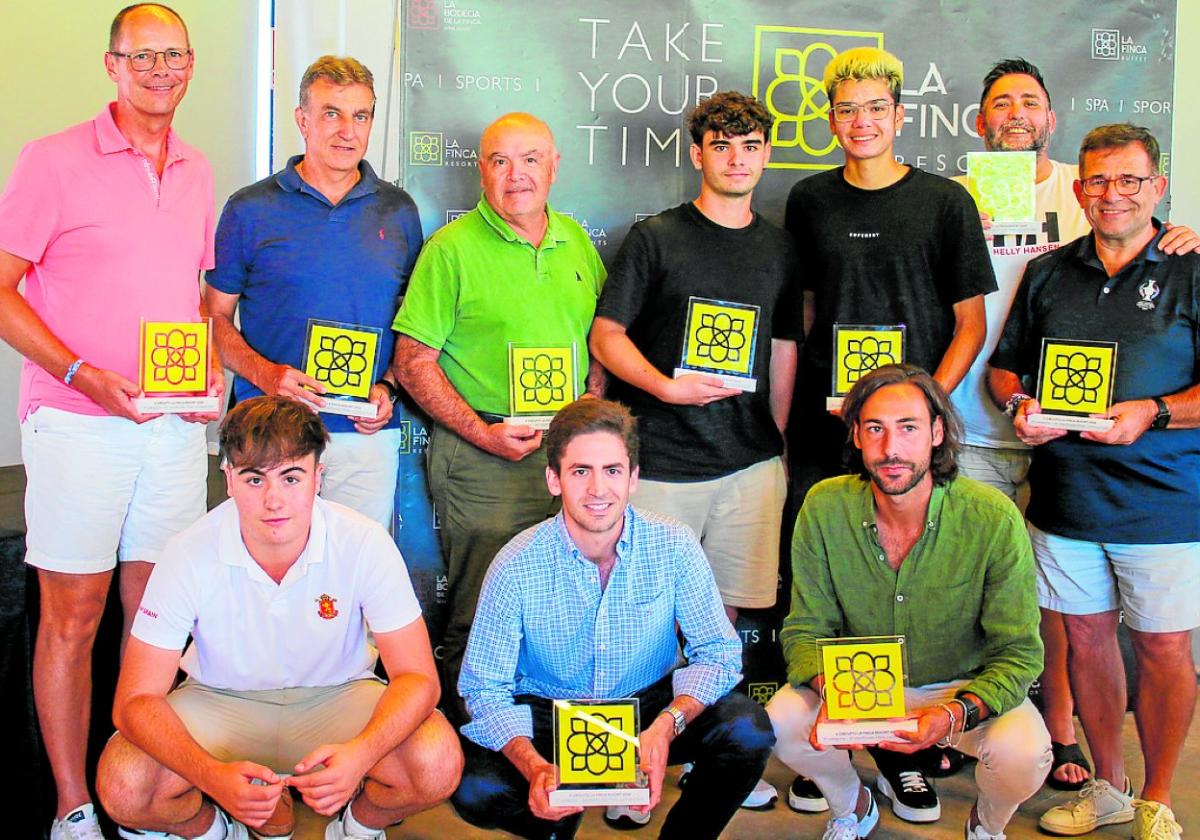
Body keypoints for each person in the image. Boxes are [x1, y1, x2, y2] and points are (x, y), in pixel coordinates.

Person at [0, 5, 221, 837]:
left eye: (175, 55)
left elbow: (193, 302)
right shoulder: (52, 161)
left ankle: (139, 788)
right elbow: (1, 289)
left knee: (156, 615)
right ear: (112, 65)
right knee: (74, 618)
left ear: (191, 65)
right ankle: (73, 804)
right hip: (76, 424)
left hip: (169, 430)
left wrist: (210, 384)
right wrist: (80, 373)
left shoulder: (198, 168)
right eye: (144, 56)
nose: (161, 69)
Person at [952, 64, 1200, 791]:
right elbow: (1007, 364)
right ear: (1079, 188)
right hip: (1061, 483)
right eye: (1098, 183)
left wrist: (1152, 413)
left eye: (1129, 181)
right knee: (1081, 634)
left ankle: (1154, 796)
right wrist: (1018, 404)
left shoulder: (1190, 267)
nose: (1111, 194)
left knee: (1161, 647)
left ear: (1157, 188)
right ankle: (1107, 784)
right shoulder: (1051, 268)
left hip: (1164, 495)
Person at [782, 45, 996, 820]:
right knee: (834, 580)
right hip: (830, 422)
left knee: (913, 585)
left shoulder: (944, 201)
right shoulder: (808, 200)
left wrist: (926, 408)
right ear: (830, 118)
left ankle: (907, 755)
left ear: (900, 116)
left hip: (912, 433)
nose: (861, 122)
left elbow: (970, 322)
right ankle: (833, 752)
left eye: (876, 107)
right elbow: (803, 311)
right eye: (847, 109)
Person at [95, 396, 462, 840]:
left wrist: (362, 755)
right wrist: (213, 778)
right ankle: (215, 831)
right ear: (228, 479)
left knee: (436, 761)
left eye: (291, 477)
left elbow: (419, 678)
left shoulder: (363, 541)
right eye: (254, 479)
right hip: (221, 701)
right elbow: (134, 701)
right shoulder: (187, 553)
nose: (274, 500)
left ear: (317, 477)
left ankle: (357, 827)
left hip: (337, 696)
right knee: (124, 786)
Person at [588, 91, 799, 810]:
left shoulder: (779, 247)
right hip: (664, 458)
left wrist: (776, 443)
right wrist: (666, 392)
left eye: (750, 147)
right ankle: (620, 768)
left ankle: (708, 760)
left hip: (748, 465)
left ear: (766, 155)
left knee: (724, 622)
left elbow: (781, 349)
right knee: (640, 618)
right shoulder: (655, 238)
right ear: (697, 152)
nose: (736, 159)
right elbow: (607, 337)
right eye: (721, 145)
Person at [452, 398, 775, 840]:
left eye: (613, 471)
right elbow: (484, 687)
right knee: (477, 789)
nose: (598, 490)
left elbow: (718, 653)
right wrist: (534, 766)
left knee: (748, 731)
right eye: (581, 471)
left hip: (646, 702)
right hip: (550, 711)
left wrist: (667, 726)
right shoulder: (516, 564)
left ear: (634, 478)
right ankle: (556, 821)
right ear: (554, 479)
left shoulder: (674, 545)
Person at [767, 364, 1050, 840]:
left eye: (908, 428)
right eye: (874, 428)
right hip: (859, 686)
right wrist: (836, 694)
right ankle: (851, 805)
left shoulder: (992, 517)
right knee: (781, 720)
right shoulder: (824, 505)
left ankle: (987, 824)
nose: (891, 448)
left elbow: (1019, 653)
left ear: (937, 432)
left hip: (959, 690)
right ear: (855, 434)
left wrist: (952, 714)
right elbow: (805, 628)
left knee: (1024, 753)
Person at [391, 112, 606, 707]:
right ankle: (474, 753)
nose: (517, 175)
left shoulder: (575, 241)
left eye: (531, 159)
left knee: (566, 608)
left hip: (567, 459)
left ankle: (550, 744)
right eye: (500, 161)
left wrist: (593, 392)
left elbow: (598, 338)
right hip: (485, 458)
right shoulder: (451, 250)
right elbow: (413, 362)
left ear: (555, 165)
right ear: (481, 170)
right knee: (481, 609)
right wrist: (483, 433)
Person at [206, 55, 422, 531]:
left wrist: (387, 386)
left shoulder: (399, 211)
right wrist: (267, 375)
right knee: (264, 580)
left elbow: (414, 324)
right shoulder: (249, 209)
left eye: (360, 116)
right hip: (269, 433)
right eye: (331, 113)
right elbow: (212, 318)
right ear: (302, 119)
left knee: (353, 582)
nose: (347, 130)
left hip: (366, 433)